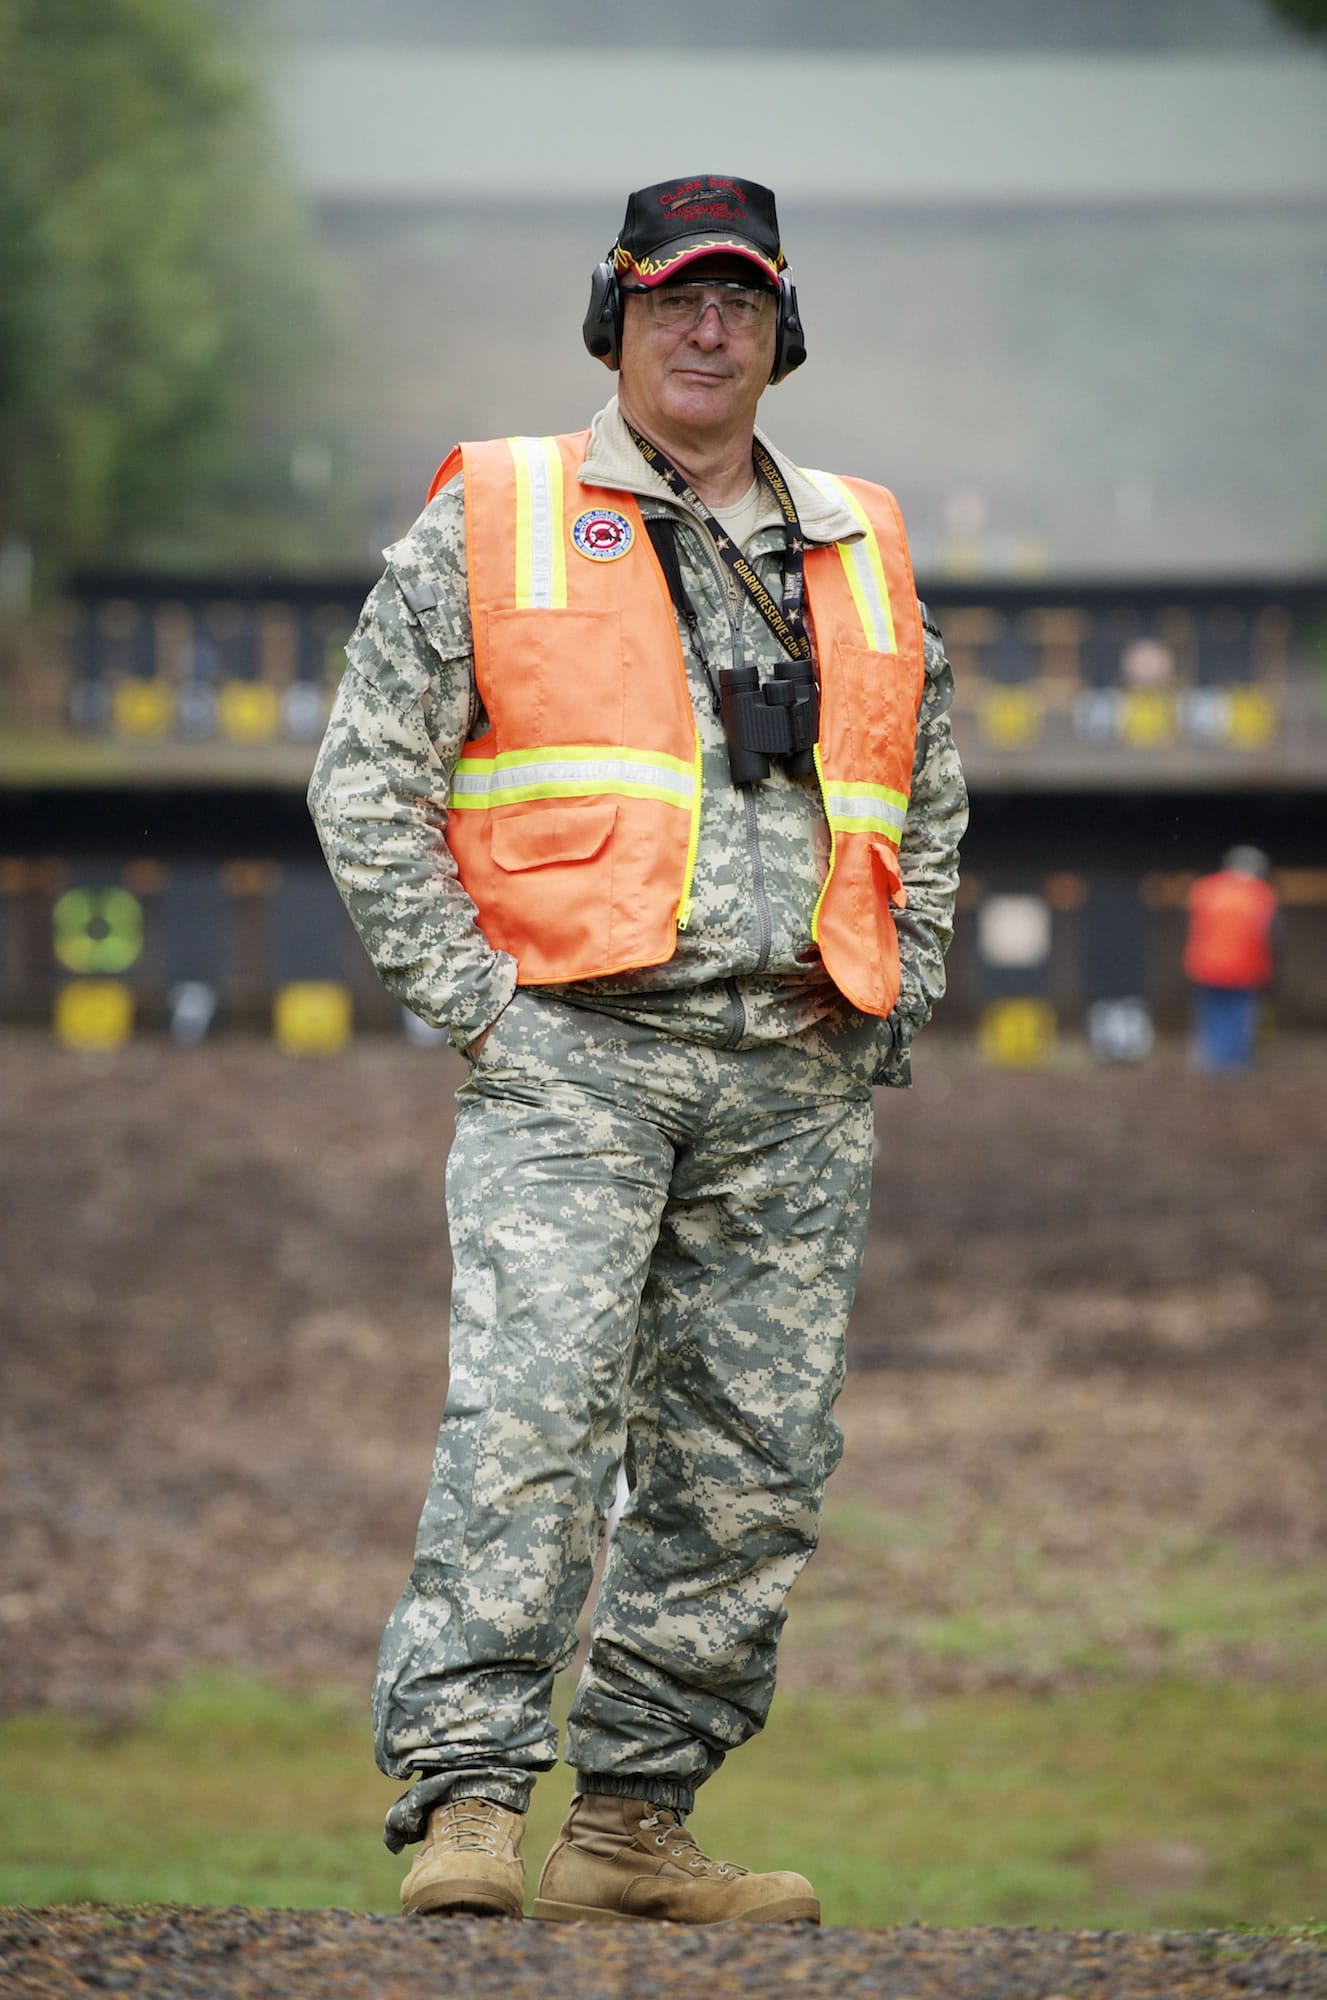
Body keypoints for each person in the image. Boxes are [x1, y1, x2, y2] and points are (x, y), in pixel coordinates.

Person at [308, 172, 967, 1926]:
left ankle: (633, 1826)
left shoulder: (855, 540)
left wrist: (897, 989)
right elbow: (366, 778)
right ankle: (463, 1802)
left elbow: (926, 778)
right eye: (676, 297)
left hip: (796, 1072)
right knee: (529, 1423)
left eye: (740, 301)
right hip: (573, 1056)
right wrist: (477, 1009)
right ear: (616, 316)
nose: (706, 328)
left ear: (781, 332)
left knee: (751, 1460)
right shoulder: (504, 512)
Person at [1183, 846, 1279, 1070]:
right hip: (1245, 967)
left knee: (1211, 1012)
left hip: (1206, 965)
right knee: (1238, 1015)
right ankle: (1232, 1063)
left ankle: (1211, 1060)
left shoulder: (1205, 888)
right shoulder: (1262, 894)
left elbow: (1194, 925)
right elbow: (1271, 935)